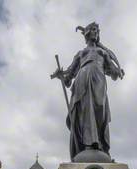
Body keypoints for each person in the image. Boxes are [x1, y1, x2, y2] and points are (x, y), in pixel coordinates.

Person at [52, 22, 124, 161]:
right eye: (93, 30)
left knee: (100, 112)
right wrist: (61, 76)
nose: (95, 32)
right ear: (86, 34)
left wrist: (118, 70)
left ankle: (101, 146)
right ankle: (89, 146)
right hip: (81, 82)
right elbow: (68, 79)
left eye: (97, 30)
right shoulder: (81, 54)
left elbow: (114, 74)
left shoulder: (102, 52)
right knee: (84, 112)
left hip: (99, 81)